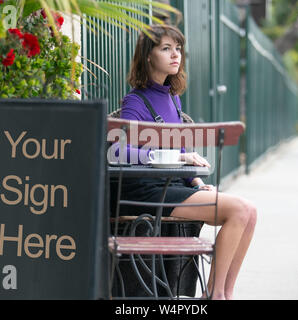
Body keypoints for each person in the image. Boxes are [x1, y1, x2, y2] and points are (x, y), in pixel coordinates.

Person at [110, 24, 257, 300]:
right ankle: (213, 296)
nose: (175, 55)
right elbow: (118, 152)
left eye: (178, 49)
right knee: (238, 211)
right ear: (148, 56)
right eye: (166, 48)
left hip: (175, 186)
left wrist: (198, 182)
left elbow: (182, 149)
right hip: (148, 191)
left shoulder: (174, 99)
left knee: (250, 212)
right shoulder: (135, 101)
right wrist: (172, 156)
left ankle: (225, 293)